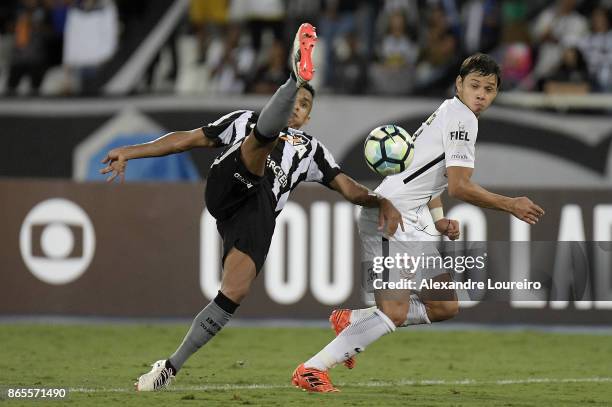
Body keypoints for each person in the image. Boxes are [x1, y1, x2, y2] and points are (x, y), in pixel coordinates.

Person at [99, 23, 404, 391]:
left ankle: (169, 367)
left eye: (304, 104)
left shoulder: (313, 151)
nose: (297, 110)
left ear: (308, 117)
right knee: (259, 140)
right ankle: (295, 76)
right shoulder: (242, 119)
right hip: (229, 182)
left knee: (235, 291)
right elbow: (186, 140)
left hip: (257, 214)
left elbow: (349, 189)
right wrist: (131, 152)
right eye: (294, 101)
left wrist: (379, 199)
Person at [292, 53, 546, 393]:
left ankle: (352, 321)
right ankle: (312, 369)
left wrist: (438, 220)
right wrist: (510, 203)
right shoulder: (462, 120)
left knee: (444, 305)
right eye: (474, 86)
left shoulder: (448, 111)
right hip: (390, 216)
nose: (481, 94)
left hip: (407, 217)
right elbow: (459, 185)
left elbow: (426, 175)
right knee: (393, 313)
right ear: (459, 84)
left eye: (489, 89)